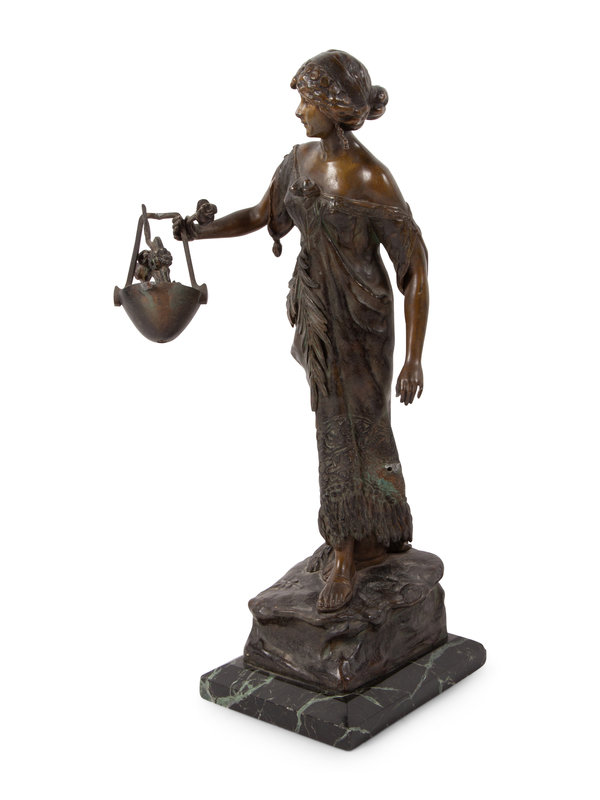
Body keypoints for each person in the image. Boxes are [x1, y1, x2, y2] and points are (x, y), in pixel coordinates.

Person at [173, 50, 429, 612]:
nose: (298, 112)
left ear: (334, 107)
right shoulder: (297, 162)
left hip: (362, 320)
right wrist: (198, 232)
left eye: (306, 101)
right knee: (332, 428)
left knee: (365, 426)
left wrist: (414, 357)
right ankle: (350, 540)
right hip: (319, 315)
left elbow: (414, 270)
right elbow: (260, 216)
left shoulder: (371, 178)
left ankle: (360, 547)